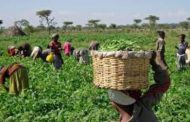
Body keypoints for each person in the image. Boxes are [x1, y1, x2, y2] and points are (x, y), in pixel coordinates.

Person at [109, 51, 170, 122]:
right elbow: (164, 84)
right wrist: (155, 62)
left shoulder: (142, 105)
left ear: (113, 102)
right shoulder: (143, 105)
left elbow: (164, 84)